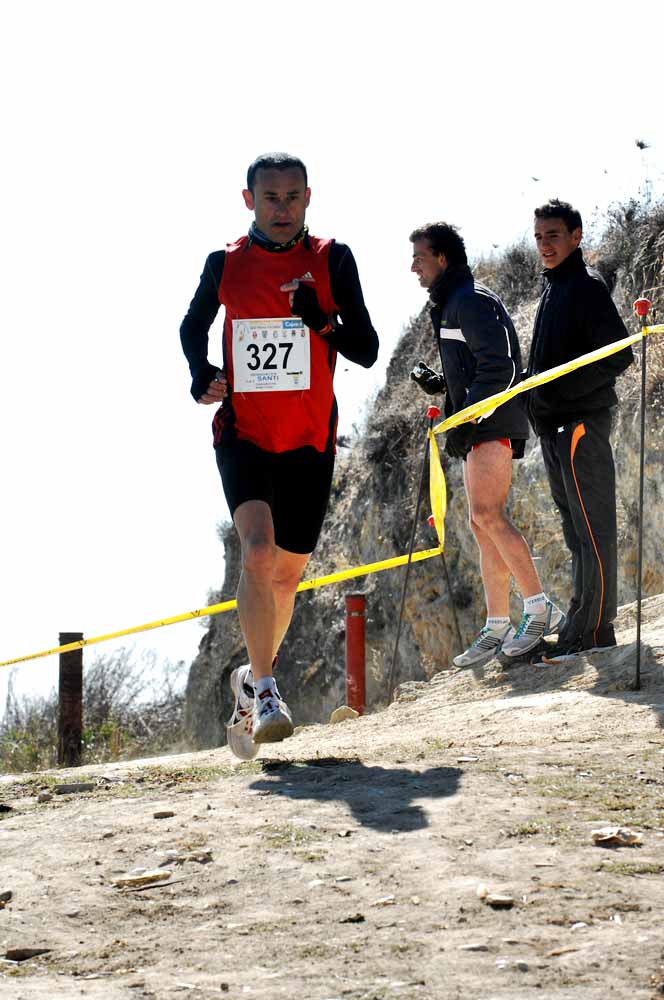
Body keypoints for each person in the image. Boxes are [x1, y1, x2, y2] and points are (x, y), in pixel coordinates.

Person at [180, 153, 378, 757]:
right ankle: (267, 691)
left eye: (293, 196)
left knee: (288, 575)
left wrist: (319, 320)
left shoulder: (332, 259)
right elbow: (191, 326)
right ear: (249, 200)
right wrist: (201, 374)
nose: (282, 208)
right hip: (244, 433)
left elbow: (366, 348)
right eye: (271, 197)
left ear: (308, 197)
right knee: (258, 551)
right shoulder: (225, 263)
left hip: (310, 440)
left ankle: (249, 680)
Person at [409, 222, 564, 667]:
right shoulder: (452, 302)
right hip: (479, 420)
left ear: (442, 258)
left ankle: (540, 609)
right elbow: (475, 368)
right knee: (479, 524)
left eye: (419, 258)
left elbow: (502, 366)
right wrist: (443, 386)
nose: (413, 267)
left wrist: (470, 415)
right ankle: (497, 626)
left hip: (492, 420)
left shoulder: (470, 300)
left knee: (488, 515)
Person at [528, 199, 633, 660]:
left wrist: (559, 396)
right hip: (555, 429)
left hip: (580, 425)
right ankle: (578, 624)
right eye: (538, 237)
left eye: (553, 235)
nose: (544, 245)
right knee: (575, 533)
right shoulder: (553, 286)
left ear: (576, 237)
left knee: (594, 529)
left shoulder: (585, 286)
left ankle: (595, 630)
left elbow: (618, 355)